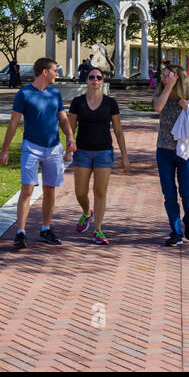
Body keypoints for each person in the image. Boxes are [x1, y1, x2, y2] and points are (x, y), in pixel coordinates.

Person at [0, 57, 75, 249]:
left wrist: (70, 138)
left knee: (50, 190)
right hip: (31, 147)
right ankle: (21, 232)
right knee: (27, 190)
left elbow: (64, 120)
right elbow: (14, 122)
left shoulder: (55, 94)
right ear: (44, 72)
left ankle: (45, 229)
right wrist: (5, 149)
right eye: (55, 70)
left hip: (54, 148)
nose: (58, 74)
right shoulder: (24, 94)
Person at [67, 67, 129, 244]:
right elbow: (71, 129)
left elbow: (118, 130)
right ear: (86, 80)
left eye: (99, 77)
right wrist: (68, 148)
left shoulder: (111, 103)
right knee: (80, 192)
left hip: (104, 152)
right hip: (82, 152)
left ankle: (98, 230)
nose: (95, 80)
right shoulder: (78, 102)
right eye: (92, 77)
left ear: (102, 81)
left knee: (100, 191)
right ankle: (87, 213)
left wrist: (124, 156)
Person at [152, 64, 189, 247]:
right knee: (169, 194)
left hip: (185, 151)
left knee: (187, 192)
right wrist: (169, 88)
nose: (165, 79)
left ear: (179, 77)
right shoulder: (161, 93)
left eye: (169, 76)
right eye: (164, 76)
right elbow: (158, 108)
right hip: (164, 150)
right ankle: (176, 233)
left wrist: (186, 105)